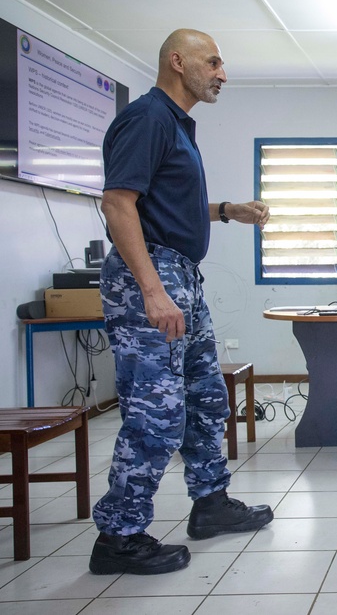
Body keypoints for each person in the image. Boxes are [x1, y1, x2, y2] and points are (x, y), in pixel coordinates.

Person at [89, 29, 274, 576]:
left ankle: (210, 505)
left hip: (180, 273)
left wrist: (226, 210)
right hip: (151, 274)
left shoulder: (175, 126)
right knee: (156, 416)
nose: (222, 72)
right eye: (212, 61)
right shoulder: (147, 117)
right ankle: (119, 537)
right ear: (178, 61)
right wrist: (152, 290)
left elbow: (163, 204)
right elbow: (118, 203)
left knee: (205, 398)